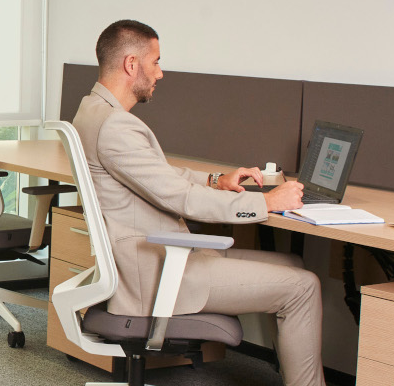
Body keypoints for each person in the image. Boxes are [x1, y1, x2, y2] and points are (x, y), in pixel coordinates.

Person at [73, 19, 323, 386]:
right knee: (304, 286)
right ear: (131, 65)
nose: (160, 73)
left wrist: (215, 181)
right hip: (156, 273)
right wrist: (267, 203)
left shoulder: (91, 111)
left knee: (292, 261)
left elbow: (156, 174)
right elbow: (183, 200)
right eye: (155, 62)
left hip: (151, 257)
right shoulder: (117, 127)